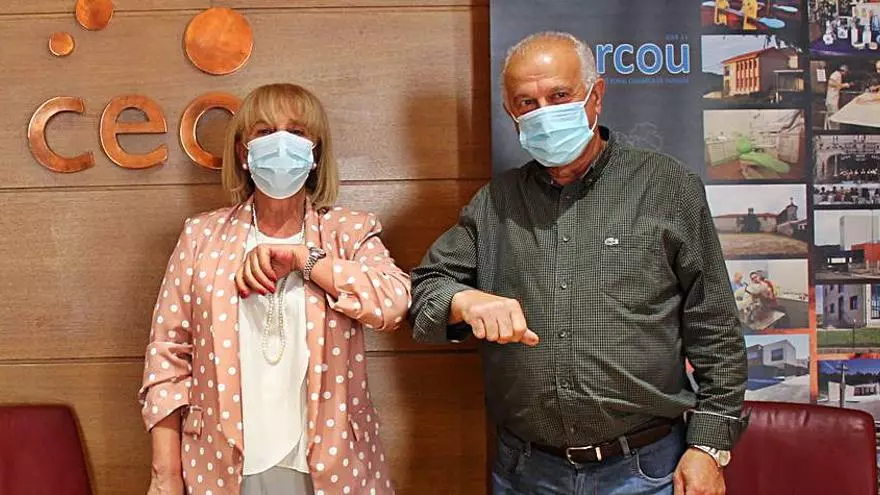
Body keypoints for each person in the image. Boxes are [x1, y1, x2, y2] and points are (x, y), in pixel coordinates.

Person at [410, 32, 748, 495]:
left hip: (645, 470)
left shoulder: (667, 187)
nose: (544, 113)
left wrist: (709, 447)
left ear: (596, 96)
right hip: (526, 472)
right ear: (511, 113)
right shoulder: (496, 204)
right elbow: (425, 289)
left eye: (559, 96)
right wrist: (463, 301)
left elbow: (715, 325)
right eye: (527, 103)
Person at [139, 83, 410, 495]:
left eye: (297, 132)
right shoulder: (201, 236)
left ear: (315, 152)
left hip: (331, 465)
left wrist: (307, 261)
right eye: (264, 132)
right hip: (220, 466)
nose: (281, 143)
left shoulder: (348, 231)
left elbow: (394, 301)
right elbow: (167, 357)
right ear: (243, 153)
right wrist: (166, 475)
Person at [826, 64, 851, 130]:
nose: (845, 74)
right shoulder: (836, 74)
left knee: (834, 116)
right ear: (844, 71)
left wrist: (844, 85)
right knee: (834, 116)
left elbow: (837, 86)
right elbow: (830, 83)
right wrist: (843, 85)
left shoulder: (839, 75)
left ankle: (834, 129)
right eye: (846, 72)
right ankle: (834, 130)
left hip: (834, 99)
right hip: (831, 100)